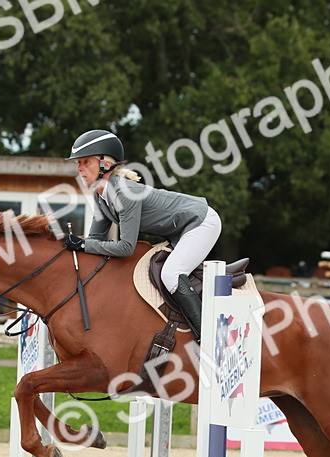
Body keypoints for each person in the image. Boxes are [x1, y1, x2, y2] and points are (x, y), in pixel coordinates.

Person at [63, 129, 220, 341]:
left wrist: (82, 245)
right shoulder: (102, 197)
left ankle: (209, 337)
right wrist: (72, 246)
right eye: (78, 164)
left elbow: (126, 247)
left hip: (200, 222)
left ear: (105, 164)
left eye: (85, 162)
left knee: (171, 273)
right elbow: (94, 241)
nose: (79, 169)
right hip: (179, 231)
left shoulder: (124, 193)